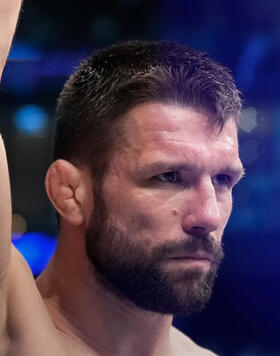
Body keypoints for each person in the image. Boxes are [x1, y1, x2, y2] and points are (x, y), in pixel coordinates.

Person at [0, 3, 244, 355]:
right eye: (169, 176)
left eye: (222, 180)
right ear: (69, 192)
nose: (208, 216)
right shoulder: (15, 333)